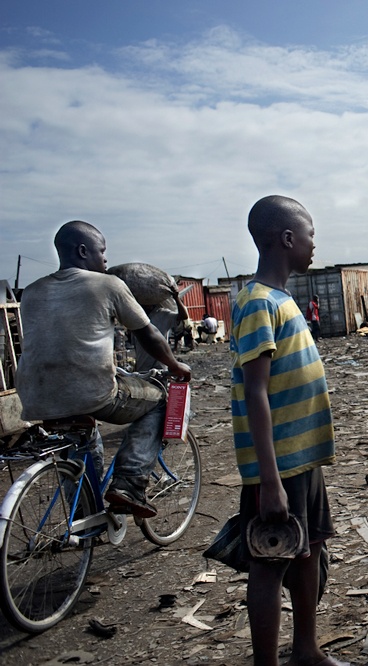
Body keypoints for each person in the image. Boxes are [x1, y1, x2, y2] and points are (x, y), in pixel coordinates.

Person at [229, 195, 345, 666]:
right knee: (270, 561)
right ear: (288, 238)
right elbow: (254, 392)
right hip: (278, 464)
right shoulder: (256, 302)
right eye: (312, 234)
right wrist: (269, 481)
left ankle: (306, 651)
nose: (316, 243)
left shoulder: (282, 299)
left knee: (309, 549)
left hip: (304, 456)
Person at [16, 221, 191, 518]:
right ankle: (130, 483)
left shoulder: (31, 292)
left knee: (80, 438)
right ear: (83, 251)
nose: (106, 260)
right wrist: (175, 365)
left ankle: (85, 517)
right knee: (159, 399)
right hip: (94, 392)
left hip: (36, 398)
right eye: (102, 251)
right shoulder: (109, 285)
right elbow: (149, 335)